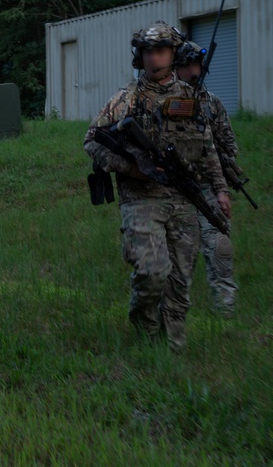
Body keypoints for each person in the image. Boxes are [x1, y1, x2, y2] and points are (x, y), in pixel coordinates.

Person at [83, 23, 231, 351]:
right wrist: (134, 168)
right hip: (141, 199)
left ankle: (172, 349)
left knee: (180, 282)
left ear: (173, 53)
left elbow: (206, 146)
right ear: (140, 55)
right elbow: (92, 141)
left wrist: (220, 189)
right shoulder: (126, 99)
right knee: (152, 272)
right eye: (148, 51)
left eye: (161, 51)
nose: (153, 58)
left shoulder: (190, 97)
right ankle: (144, 326)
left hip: (182, 199)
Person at [174, 41, 239, 315]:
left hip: (210, 188)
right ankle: (176, 311)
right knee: (180, 254)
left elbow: (229, 146)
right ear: (176, 68)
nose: (193, 70)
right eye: (187, 65)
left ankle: (225, 309)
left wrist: (224, 178)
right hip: (178, 190)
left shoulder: (213, 104)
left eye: (197, 64)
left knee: (220, 247)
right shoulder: (169, 104)